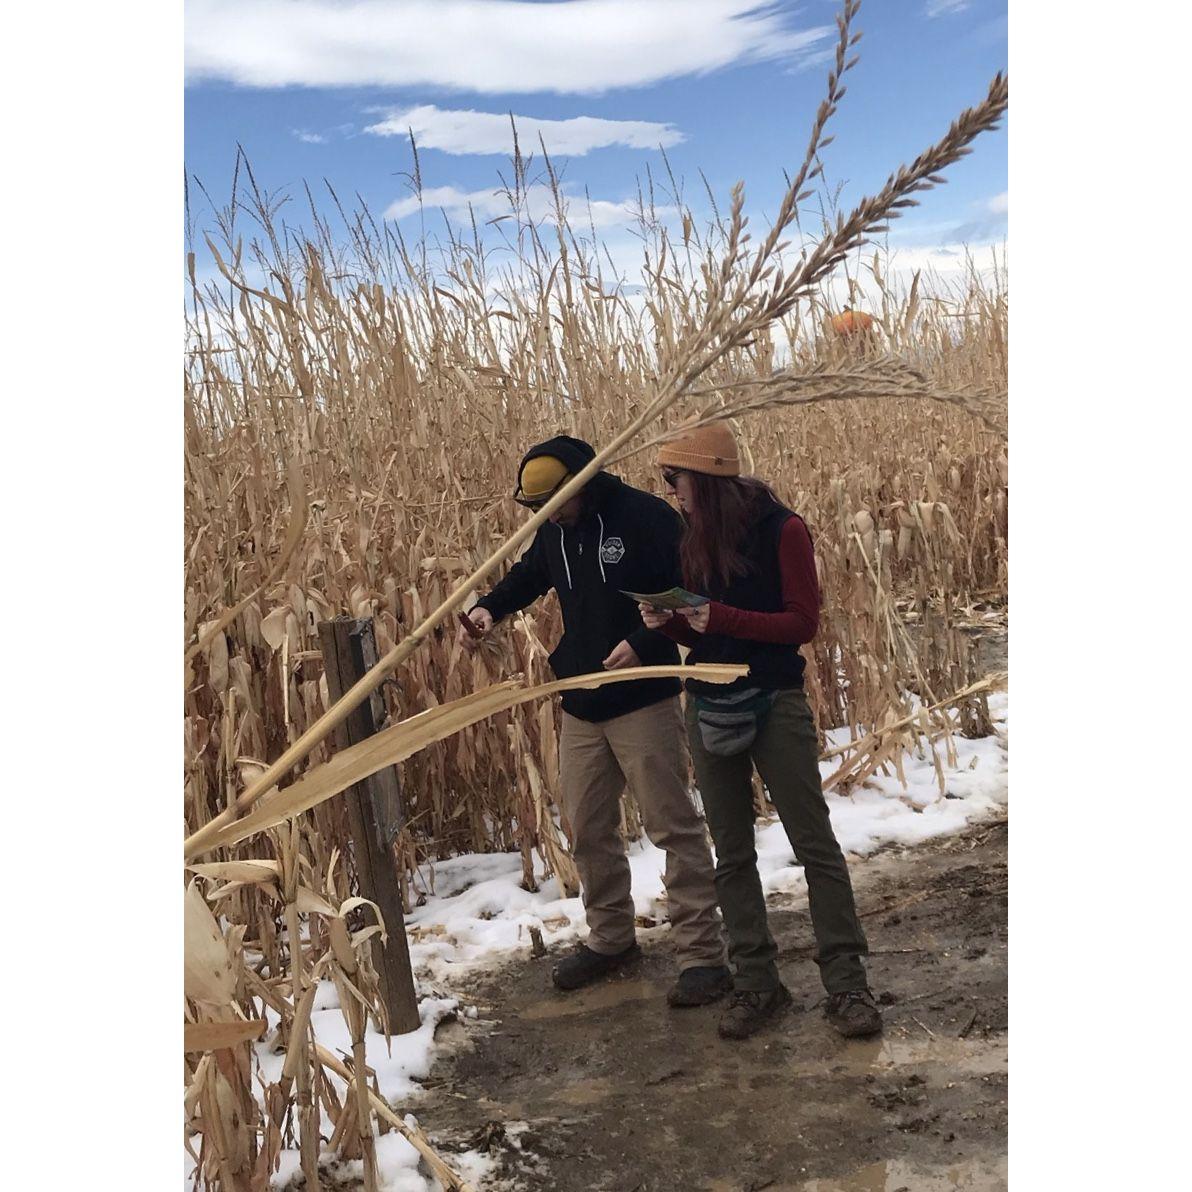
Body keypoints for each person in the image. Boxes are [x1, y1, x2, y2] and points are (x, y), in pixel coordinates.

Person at [457, 434, 731, 1007]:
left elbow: (690, 593)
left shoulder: (646, 517)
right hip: (581, 697)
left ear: (580, 482)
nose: (546, 515)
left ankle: (703, 954)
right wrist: (490, 607)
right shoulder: (554, 530)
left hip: (642, 695)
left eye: (552, 503)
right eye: (535, 509)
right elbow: (530, 575)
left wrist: (641, 641)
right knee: (586, 826)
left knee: (671, 825)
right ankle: (611, 938)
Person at [639, 422, 882, 1041]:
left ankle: (848, 984)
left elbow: (801, 623)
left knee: (813, 845)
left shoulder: (784, 529)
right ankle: (756, 983)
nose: (672, 491)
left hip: (776, 700)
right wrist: (670, 625)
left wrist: (717, 615)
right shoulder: (693, 537)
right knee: (731, 853)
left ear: (708, 480)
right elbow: (707, 636)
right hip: (710, 703)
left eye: (677, 479)